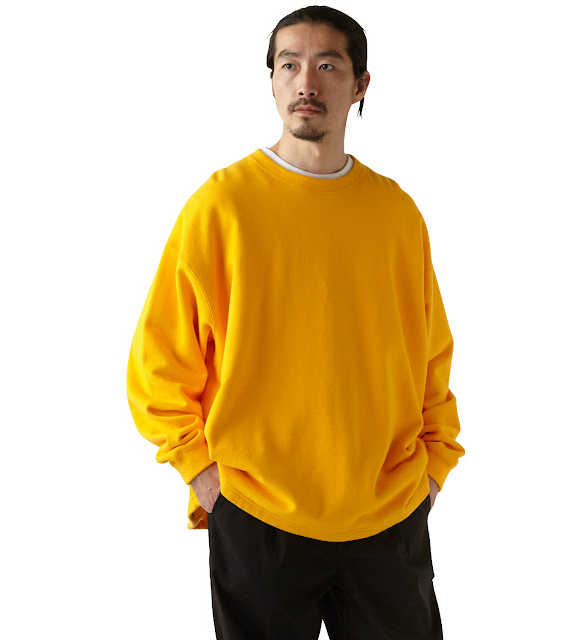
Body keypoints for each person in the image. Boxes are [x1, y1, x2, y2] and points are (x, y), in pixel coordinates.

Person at [126, 5, 465, 639]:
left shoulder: (396, 213)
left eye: (327, 65)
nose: (306, 82)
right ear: (274, 81)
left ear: (360, 84)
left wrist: (432, 470)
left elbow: (428, 354)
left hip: (388, 511)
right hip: (258, 514)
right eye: (290, 65)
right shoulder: (222, 207)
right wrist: (200, 471)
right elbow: (159, 361)